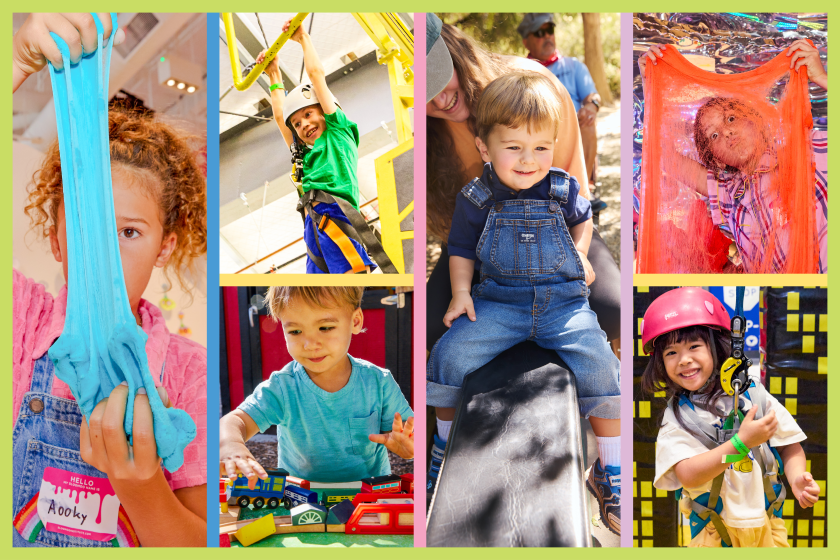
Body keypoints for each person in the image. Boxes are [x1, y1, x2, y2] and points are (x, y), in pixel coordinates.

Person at [12, 13, 207, 547]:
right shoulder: (23, 325)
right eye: (84, 228)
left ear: (165, 246)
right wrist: (13, 65)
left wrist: (141, 488)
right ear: (55, 242)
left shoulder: (189, 373)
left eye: (128, 231)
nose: (102, 248)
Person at [427, 72, 621, 535]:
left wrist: (578, 252)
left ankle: (609, 468)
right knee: (450, 355)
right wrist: (459, 295)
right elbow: (460, 249)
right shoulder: (477, 197)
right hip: (500, 302)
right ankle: (441, 447)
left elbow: (584, 222)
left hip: (562, 302)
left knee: (600, 363)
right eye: (514, 147)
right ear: (484, 148)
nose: (529, 160)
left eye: (540, 148)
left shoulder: (562, 187)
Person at [425, 14, 620, 359]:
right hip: (477, 236)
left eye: (442, 79)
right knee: (429, 326)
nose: (440, 101)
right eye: (425, 95)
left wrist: (577, 253)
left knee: (614, 307)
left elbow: (578, 204)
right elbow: (456, 238)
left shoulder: (534, 87)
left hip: (559, 223)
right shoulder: (425, 134)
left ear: (453, 50)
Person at [641, 288, 820, 547]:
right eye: (671, 353)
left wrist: (796, 478)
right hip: (713, 533)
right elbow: (688, 474)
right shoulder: (678, 417)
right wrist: (740, 444)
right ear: (659, 362)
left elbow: (789, 444)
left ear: (717, 347)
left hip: (768, 528)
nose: (684, 360)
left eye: (694, 346)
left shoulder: (754, 396)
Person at [638, 42, 828, 273]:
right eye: (714, 135)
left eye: (730, 119)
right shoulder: (726, 191)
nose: (726, 132)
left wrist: (823, 78)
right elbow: (664, 155)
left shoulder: (808, 149)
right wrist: (651, 85)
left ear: (754, 121)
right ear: (717, 159)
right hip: (770, 294)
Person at [219, 287, 414, 485]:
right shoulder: (283, 387)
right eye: (295, 331)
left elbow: (409, 435)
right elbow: (234, 421)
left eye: (325, 327)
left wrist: (408, 448)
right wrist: (231, 444)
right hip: (301, 495)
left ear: (355, 321)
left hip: (367, 494)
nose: (310, 344)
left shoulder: (378, 381)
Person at [258, 18, 375, 274]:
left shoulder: (338, 134)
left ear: (325, 111)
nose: (303, 126)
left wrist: (303, 39)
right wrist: (274, 75)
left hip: (336, 214)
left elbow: (316, 76)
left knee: (350, 275)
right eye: (298, 125)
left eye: (309, 115)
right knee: (319, 289)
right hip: (313, 224)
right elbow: (281, 118)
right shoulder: (303, 155)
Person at [519, 13, 601, 182]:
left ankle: (584, 188)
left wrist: (592, 106)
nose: (547, 36)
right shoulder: (520, 71)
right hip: (538, 129)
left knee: (588, 120)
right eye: (539, 33)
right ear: (526, 41)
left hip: (574, 126)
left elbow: (592, 96)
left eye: (549, 30)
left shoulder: (574, 66)